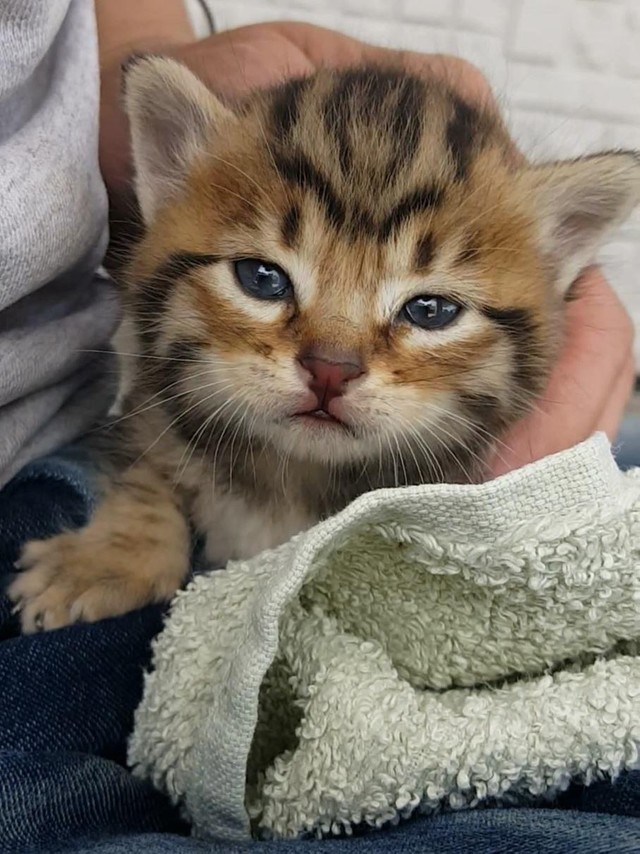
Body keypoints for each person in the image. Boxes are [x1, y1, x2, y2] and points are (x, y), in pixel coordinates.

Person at [0, 2, 638, 852]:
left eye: (430, 307)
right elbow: (146, 454)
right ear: (166, 174)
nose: (332, 362)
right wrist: (137, 533)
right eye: (266, 276)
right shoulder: (181, 429)